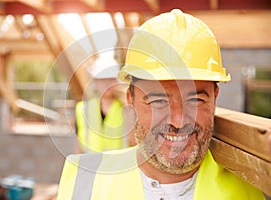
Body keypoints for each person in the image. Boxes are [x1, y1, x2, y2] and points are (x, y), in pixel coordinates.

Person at [58, 9, 266, 199]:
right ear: (131, 100)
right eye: (158, 101)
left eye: (195, 100)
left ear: (214, 99)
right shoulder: (84, 181)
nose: (177, 120)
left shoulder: (250, 189)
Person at [74, 54, 135, 153]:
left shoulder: (126, 108)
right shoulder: (82, 109)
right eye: (103, 80)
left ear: (117, 80)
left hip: (120, 167)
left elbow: (134, 143)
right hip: (92, 166)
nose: (107, 84)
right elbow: (78, 147)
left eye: (111, 79)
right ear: (95, 81)